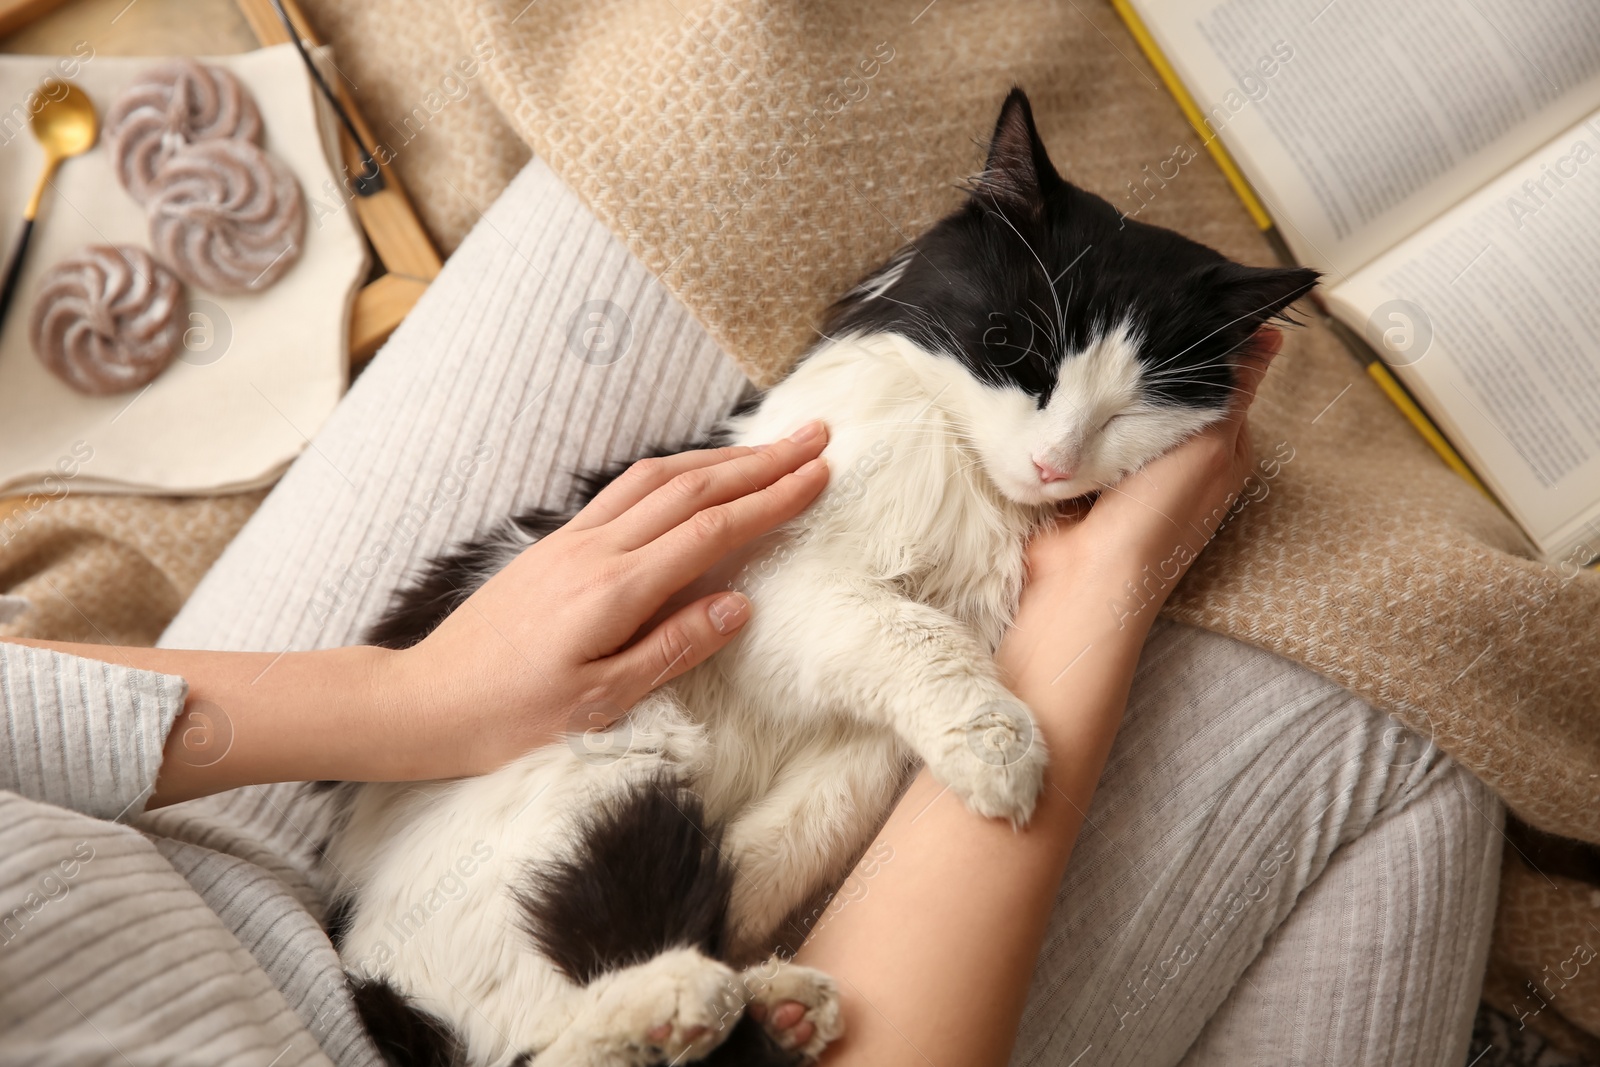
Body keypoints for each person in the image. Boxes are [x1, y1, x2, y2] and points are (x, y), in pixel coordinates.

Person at [0, 158, 1501, 1067]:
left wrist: (420, 697)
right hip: (453, 997)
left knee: (667, 164)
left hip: (207, 823)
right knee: (1420, 722)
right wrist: (1089, 601)